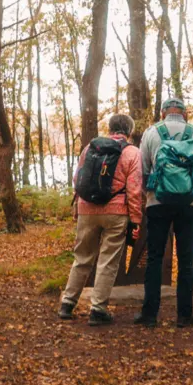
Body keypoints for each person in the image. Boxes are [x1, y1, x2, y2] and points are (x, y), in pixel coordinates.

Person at [59, 113, 142, 326]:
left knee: (82, 258)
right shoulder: (132, 152)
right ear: (129, 132)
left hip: (87, 209)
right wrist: (136, 219)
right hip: (116, 212)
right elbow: (134, 190)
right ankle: (98, 310)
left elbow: (78, 180)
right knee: (107, 261)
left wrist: (78, 208)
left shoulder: (90, 148)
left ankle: (67, 304)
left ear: (110, 129)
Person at [135, 97, 193, 328]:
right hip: (188, 204)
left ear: (162, 113)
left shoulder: (151, 133)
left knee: (155, 258)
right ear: (184, 114)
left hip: (157, 202)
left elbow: (142, 170)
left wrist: (150, 193)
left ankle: (149, 315)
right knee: (186, 259)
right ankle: (184, 315)